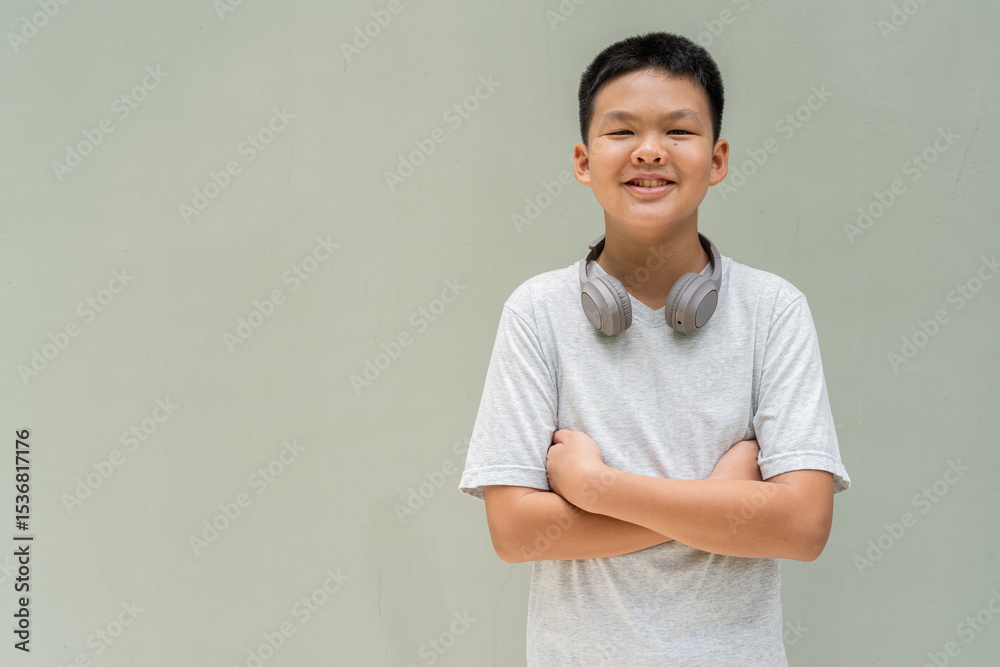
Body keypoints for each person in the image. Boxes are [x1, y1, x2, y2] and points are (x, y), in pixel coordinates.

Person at [458, 31, 850, 666]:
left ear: (716, 159)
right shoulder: (537, 312)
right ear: (583, 161)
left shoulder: (773, 309)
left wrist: (596, 486)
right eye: (621, 131)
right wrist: (722, 503)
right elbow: (516, 534)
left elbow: (803, 528)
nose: (649, 150)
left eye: (678, 131)